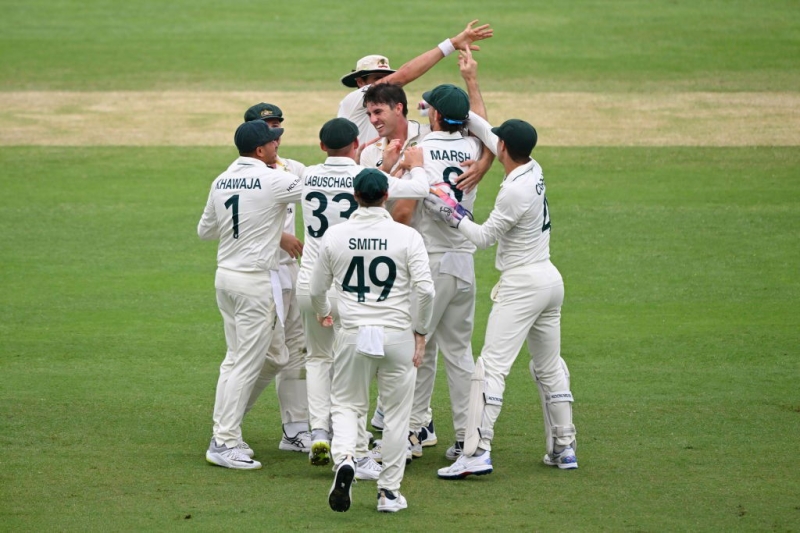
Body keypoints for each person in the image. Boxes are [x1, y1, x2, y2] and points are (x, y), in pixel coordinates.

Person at [424, 111, 578, 479]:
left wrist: (450, 210)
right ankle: (564, 446)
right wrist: (468, 105)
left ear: (505, 147)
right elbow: (487, 133)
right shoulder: (533, 166)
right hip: (549, 280)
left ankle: (477, 451)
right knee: (548, 365)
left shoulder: (513, 191)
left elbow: (482, 238)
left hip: (522, 286)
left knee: (491, 367)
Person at [295, 117, 431, 479]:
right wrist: (407, 165)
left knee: (320, 361)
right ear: (357, 145)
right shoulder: (370, 178)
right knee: (357, 378)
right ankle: (360, 453)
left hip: (313, 280)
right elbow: (419, 188)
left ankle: (320, 434)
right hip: (353, 293)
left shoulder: (306, 174)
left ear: (322, 146)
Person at [310, 168, 434, 513]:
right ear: (386, 196)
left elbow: (316, 288)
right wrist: (421, 333)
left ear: (355, 197)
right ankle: (389, 493)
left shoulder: (335, 235)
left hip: (353, 335)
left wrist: (322, 312)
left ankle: (347, 457)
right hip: (397, 335)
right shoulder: (407, 237)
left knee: (347, 404)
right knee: (396, 416)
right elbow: (425, 289)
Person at [197, 120, 303, 469]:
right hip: (255, 283)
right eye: (273, 143)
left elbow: (206, 231)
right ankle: (224, 440)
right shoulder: (273, 179)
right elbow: (314, 187)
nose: (278, 147)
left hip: (226, 279)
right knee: (242, 361)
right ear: (260, 150)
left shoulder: (221, 179)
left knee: (273, 356)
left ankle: (227, 420)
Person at [389, 83, 484, 461]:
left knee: (418, 350)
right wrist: (472, 81)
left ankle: (411, 433)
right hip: (463, 260)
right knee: (460, 353)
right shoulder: (477, 149)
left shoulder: (420, 150)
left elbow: (403, 209)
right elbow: (487, 129)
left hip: (429, 260)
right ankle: (466, 437)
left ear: (437, 116)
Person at [240, 102, 312, 454]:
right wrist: (277, 237)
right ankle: (229, 421)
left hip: (291, 273)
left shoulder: (293, 168)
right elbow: (227, 230)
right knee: (269, 356)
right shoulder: (239, 176)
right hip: (258, 275)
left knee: (298, 350)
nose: (275, 135)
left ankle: (296, 430)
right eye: (267, 128)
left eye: (277, 126)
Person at [337, 20, 493, 146]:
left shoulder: (418, 136)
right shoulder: (353, 101)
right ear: (359, 82)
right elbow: (403, 76)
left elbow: (482, 135)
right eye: (378, 79)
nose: (386, 87)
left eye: (387, 78)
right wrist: (451, 44)